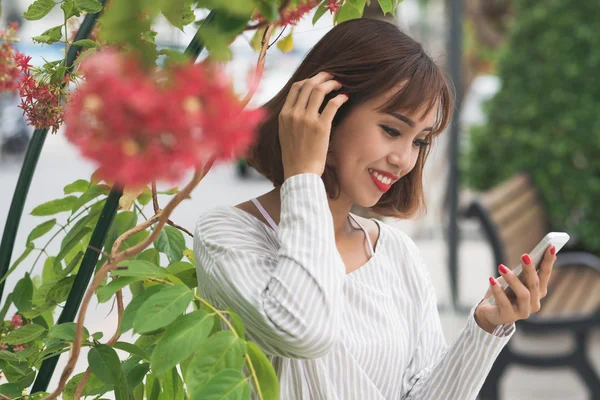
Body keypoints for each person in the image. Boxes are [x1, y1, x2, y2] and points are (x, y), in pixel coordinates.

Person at [193, 18, 556, 399]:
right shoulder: (227, 234)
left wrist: (484, 328)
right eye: (392, 130)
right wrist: (304, 177)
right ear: (325, 114)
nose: (404, 159)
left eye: (420, 141)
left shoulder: (395, 253)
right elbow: (302, 330)